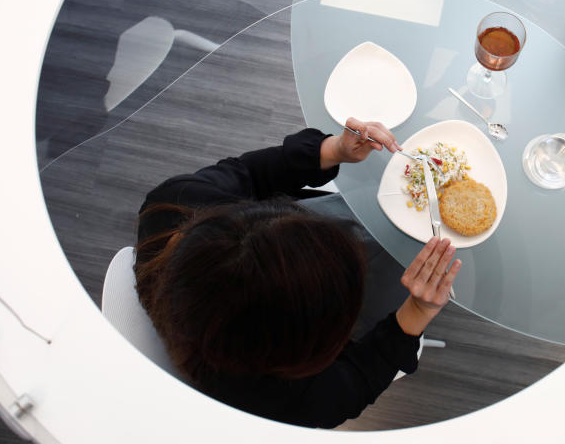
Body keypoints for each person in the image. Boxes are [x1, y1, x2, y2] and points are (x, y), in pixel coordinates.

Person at [134, 117, 461, 428]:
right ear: (308, 347)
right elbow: (354, 382)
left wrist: (333, 150)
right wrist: (416, 312)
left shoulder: (175, 207)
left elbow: (250, 173)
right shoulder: (272, 400)